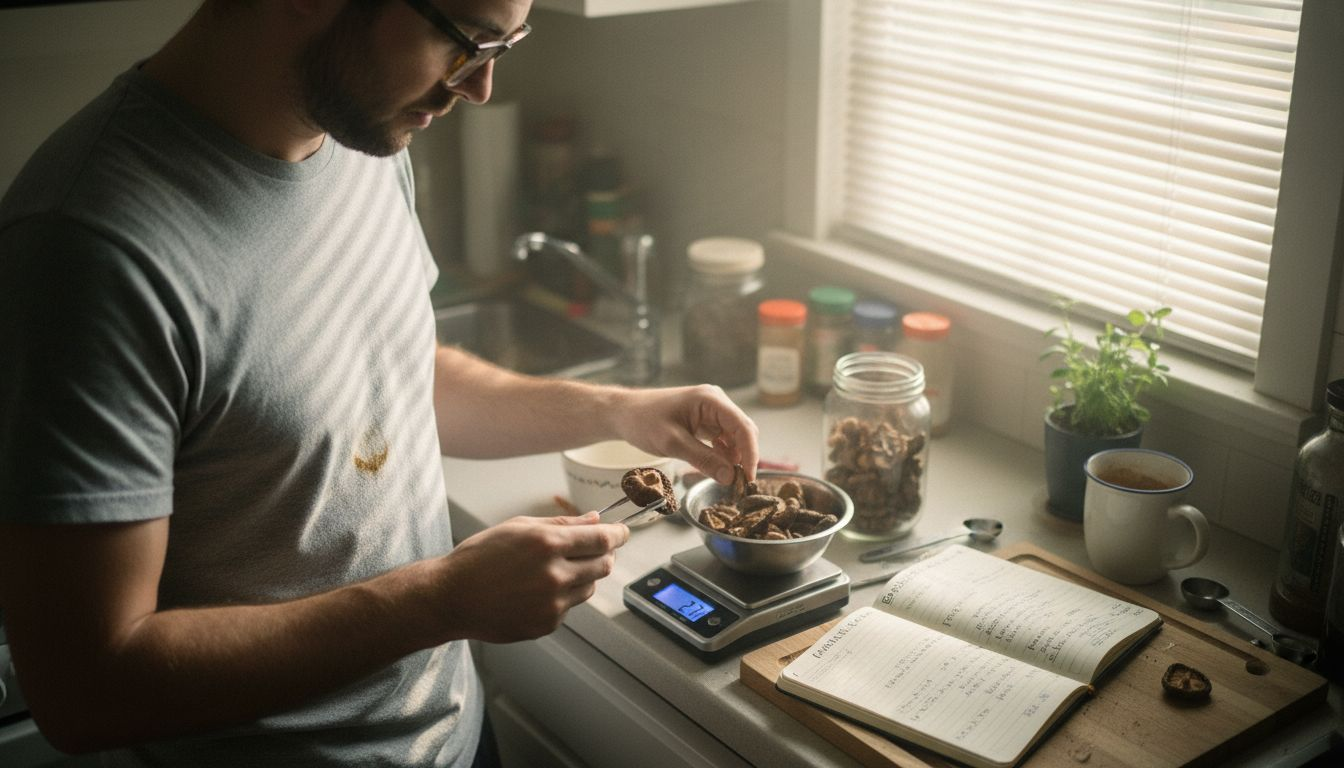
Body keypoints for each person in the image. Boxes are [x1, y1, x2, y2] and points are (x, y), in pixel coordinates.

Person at [0, 1, 760, 766]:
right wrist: (442, 600)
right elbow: (86, 688)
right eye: (464, 39)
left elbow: (388, 370)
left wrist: (617, 410)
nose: (481, 85)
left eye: (507, 43)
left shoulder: (361, 133)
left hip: (455, 736)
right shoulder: (85, 251)